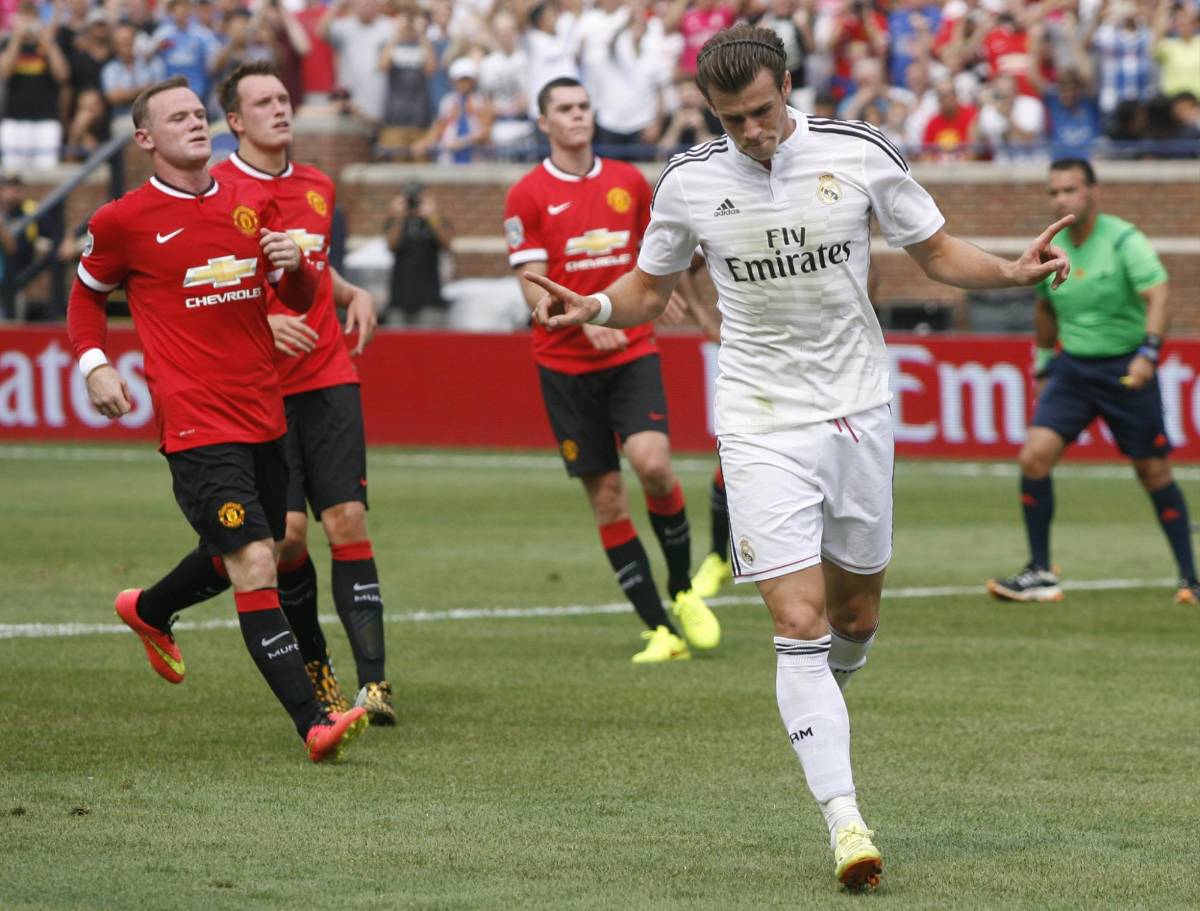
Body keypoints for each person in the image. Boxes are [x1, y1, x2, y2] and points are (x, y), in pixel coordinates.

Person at [522, 26, 1073, 889]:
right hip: (757, 417)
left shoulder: (858, 154)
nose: (752, 131)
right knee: (799, 619)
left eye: (763, 111)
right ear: (710, 111)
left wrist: (1011, 268)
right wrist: (591, 301)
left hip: (857, 410)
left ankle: (823, 708)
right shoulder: (690, 182)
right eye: (732, 118)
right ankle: (846, 821)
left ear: (789, 87)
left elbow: (934, 252)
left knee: (854, 618)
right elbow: (651, 289)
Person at [65, 76, 368, 762]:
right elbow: (85, 297)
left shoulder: (249, 199)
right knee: (255, 559)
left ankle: (147, 608)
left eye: (200, 114)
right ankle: (314, 721)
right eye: (178, 118)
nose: (196, 124)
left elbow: (291, 289)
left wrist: (296, 270)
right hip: (197, 422)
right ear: (146, 139)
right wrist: (95, 364)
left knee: (254, 547)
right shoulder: (123, 220)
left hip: (266, 414)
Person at [504, 76, 721, 664]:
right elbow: (531, 286)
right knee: (607, 499)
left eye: (584, 106)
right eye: (564, 110)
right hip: (564, 366)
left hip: (630, 351)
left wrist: (685, 306)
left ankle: (681, 591)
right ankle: (659, 628)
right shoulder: (526, 195)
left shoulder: (628, 182)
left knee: (653, 464)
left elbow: (669, 255)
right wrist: (578, 319)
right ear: (544, 123)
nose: (578, 116)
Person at [208, 61, 394, 724]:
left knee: (347, 519)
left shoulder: (316, 184)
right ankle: (320, 674)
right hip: (258, 393)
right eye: (263, 102)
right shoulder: (216, 190)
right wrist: (264, 317)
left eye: (284, 98)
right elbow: (202, 287)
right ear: (234, 121)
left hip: (329, 375)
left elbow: (313, 261)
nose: (280, 110)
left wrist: (351, 291)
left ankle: (376, 684)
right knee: (287, 538)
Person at [988, 158, 1197, 605]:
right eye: (1054, 192)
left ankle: (1190, 579)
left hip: (1126, 369)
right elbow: (1045, 309)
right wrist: (1044, 366)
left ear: (1092, 193)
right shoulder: (1051, 246)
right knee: (1033, 459)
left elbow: (1158, 294)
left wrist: (1149, 353)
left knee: (1153, 472)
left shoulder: (1123, 240)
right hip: (1073, 369)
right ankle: (1041, 572)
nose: (1061, 199)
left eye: (1069, 190)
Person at [384, 181, 452, 326]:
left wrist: (431, 216)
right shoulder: (396, 220)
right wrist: (399, 217)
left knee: (428, 346)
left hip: (429, 298)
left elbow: (447, 243)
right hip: (400, 298)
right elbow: (391, 245)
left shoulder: (436, 220)